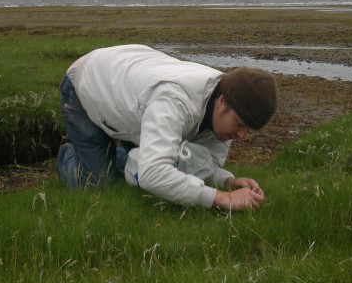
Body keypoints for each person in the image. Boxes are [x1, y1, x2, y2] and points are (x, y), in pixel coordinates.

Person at [56, 44, 278, 211]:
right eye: (240, 124)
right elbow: (152, 174)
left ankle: (124, 155)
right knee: (99, 185)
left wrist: (227, 181)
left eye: (249, 129)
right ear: (222, 102)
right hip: (88, 80)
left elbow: (201, 165)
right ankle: (67, 155)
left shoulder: (230, 98)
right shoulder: (175, 101)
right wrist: (222, 198)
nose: (242, 135)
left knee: (155, 167)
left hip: (132, 87)